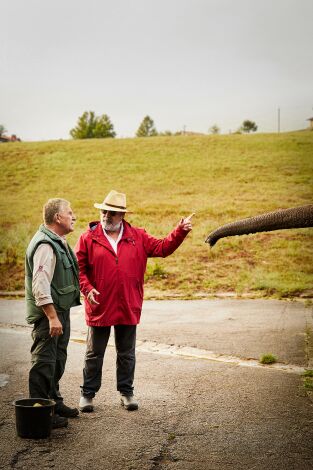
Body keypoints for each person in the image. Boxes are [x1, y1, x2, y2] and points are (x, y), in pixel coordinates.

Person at [75, 190, 194, 412]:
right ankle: (87, 395)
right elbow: (78, 269)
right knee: (94, 353)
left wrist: (180, 231)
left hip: (128, 303)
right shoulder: (87, 238)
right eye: (104, 212)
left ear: (122, 216)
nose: (106, 216)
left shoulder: (137, 236)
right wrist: (88, 288)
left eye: (112, 213)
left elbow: (162, 248)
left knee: (126, 353)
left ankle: (126, 393)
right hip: (99, 305)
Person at [25, 198, 81, 428]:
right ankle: (39, 414)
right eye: (69, 212)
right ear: (58, 218)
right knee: (44, 363)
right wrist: (52, 317)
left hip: (59, 312)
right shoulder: (46, 245)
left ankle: (54, 402)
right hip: (49, 316)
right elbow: (40, 285)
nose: (74, 216)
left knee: (57, 361)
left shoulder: (58, 241)